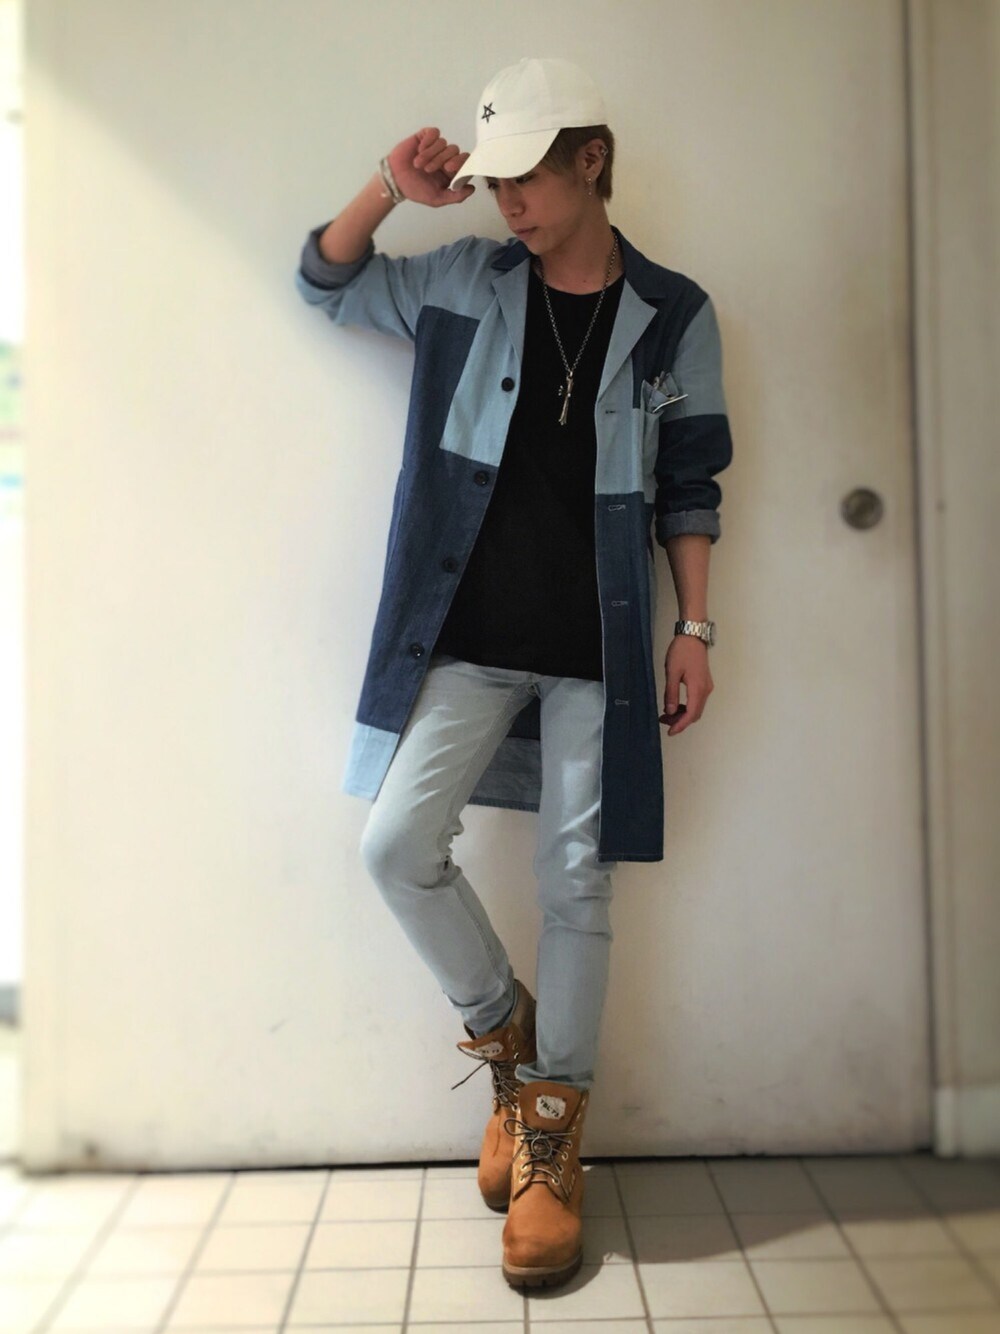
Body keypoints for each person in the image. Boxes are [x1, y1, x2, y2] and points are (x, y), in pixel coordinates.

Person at [295, 56, 733, 1291]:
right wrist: (391, 187)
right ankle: (507, 1031)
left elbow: (690, 483)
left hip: (597, 646)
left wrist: (696, 629)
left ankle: (551, 1136)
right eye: (495, 183)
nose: (509, 204)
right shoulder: (462, 283)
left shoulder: (672, 313)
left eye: (527, 177)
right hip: (469, 640)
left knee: (575, 883)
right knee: (395, 845)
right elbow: (323, 281)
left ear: (591, 160)